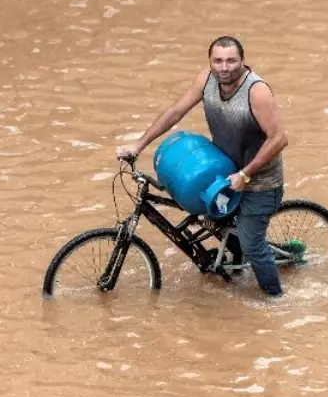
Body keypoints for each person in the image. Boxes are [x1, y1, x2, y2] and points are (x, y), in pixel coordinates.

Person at [115, 36, 290, 297]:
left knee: (252, 245)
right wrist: (138, 145)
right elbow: (176, 111)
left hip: (259, 181)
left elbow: (279, 139)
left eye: (231, 60)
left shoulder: (257, 92)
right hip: (222, 172)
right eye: (217, 60)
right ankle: (236, 262)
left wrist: (245, 174)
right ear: (210, 62)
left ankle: (275, 298)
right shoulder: (207, 80)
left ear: (243, 61)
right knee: (210, 221)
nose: (224, 67)